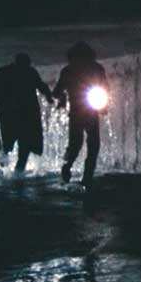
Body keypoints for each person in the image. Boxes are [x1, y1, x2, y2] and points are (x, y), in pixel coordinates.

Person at [53, 41, 108, 187]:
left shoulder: (68, 70)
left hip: (78, 112)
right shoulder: (96, 68)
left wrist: (62, 97)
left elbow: (56, 91)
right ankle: (85, 176)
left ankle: (70, 167)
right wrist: (104, 105)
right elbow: (104, 88)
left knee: (77, 144)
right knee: (91, 145)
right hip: (90, 111)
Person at [0, 52, 54, 175]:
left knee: (11, 146)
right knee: (20, 146)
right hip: (24, 115)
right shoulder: (29, 72)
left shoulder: (6, 71)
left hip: (11, 114)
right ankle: (15, 174)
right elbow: (42, 86)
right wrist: (49, 97)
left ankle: (11, 173)